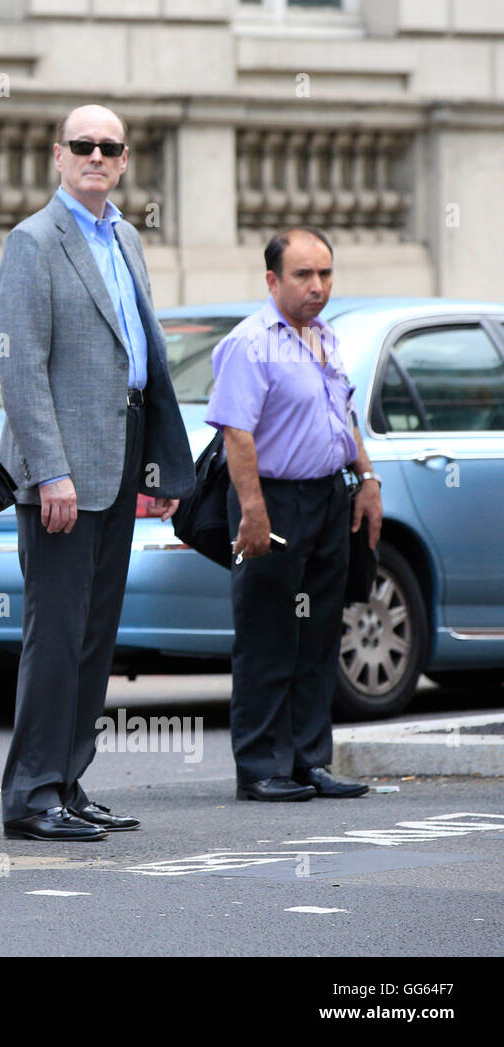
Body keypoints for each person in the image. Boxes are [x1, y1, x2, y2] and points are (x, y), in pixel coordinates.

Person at [0, 104, 194, 841]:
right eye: (83, 145)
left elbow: (134, 357)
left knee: (96, 635)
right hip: (62, 475)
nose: (96, 156)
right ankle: (30, 793)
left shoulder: (127, 237)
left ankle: (69, 781)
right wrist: (50, 470)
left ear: (124, 158)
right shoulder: (33, 241)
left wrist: (155, 459)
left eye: (109, 148)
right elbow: (22, 369)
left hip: (120, 457)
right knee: (56, 634)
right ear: (58, 154)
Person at [206, 227, 381, 802]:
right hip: (273, 499)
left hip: (328, 496)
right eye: (303, 275)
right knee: (266, 634)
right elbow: (237, 433)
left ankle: (310, 760)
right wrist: (253, 513)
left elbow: (344, 414)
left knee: (319, 631)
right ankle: (260, 767)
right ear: (272, 279)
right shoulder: (251, 343)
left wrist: (367, 478)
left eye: (325, 274)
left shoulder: (325, 335)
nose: (317, 286)